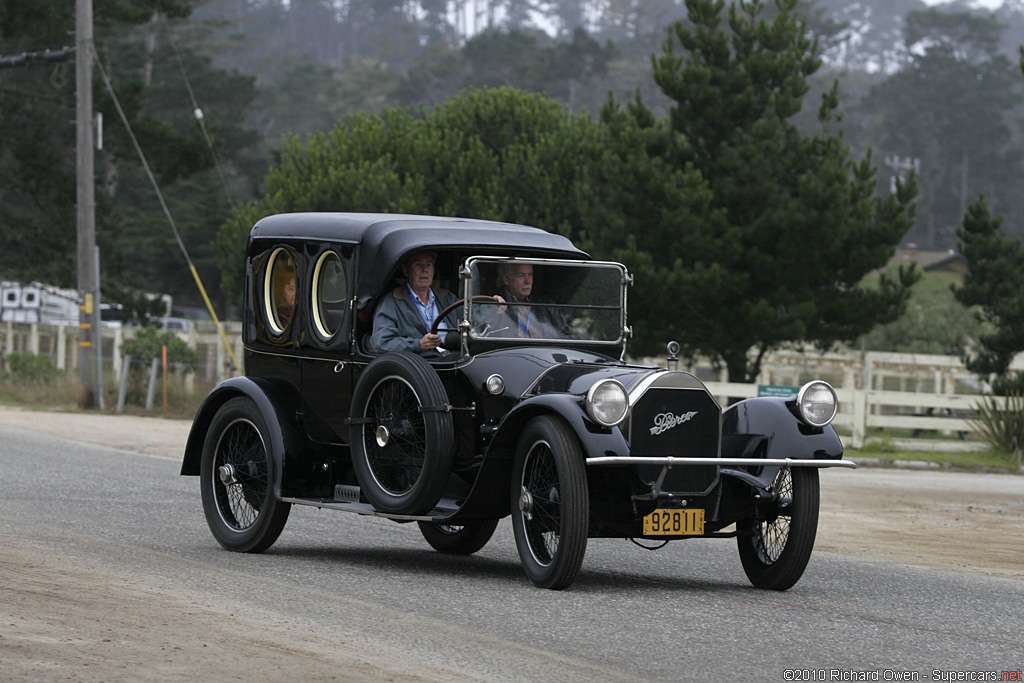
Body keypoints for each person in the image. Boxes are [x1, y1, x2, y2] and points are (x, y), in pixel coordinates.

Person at [369, 251, 459, 355]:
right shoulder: (392, 302)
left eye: (429, 264)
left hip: (453, 360)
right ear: (406, 270)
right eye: (418, 264)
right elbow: (382, 343)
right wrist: (418, 344)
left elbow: (474, 322)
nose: (424, 269)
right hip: (420, 365)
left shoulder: (448, 298)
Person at [495, 262, 570, 339]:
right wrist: (493, 309)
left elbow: (567, 337)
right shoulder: (495, 303)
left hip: (547, 350)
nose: (527, 281)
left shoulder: (546, 304)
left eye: (530, 275)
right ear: (506, 279)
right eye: (521, 276)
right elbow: (485, 333)